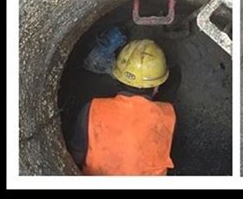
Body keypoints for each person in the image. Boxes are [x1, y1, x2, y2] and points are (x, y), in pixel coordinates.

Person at [68, 39, 177, 175]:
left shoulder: (92, 108)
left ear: (118, 77)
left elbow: (76, 155)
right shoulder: (168, 115)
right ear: (157, 86)